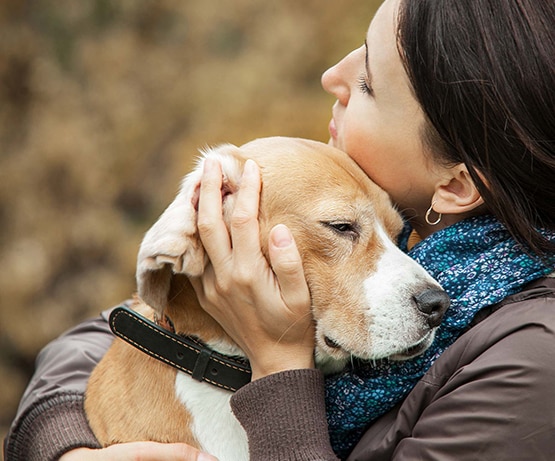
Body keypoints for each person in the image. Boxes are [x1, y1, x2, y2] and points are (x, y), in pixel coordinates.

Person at [5, 0, 555, 459]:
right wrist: (66, 447)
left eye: (368, 83)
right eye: (344, 228)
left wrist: (278, 361)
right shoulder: (416, 245)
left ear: (456, 185)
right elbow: (117, 331)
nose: (331, 77)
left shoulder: (531, 363)